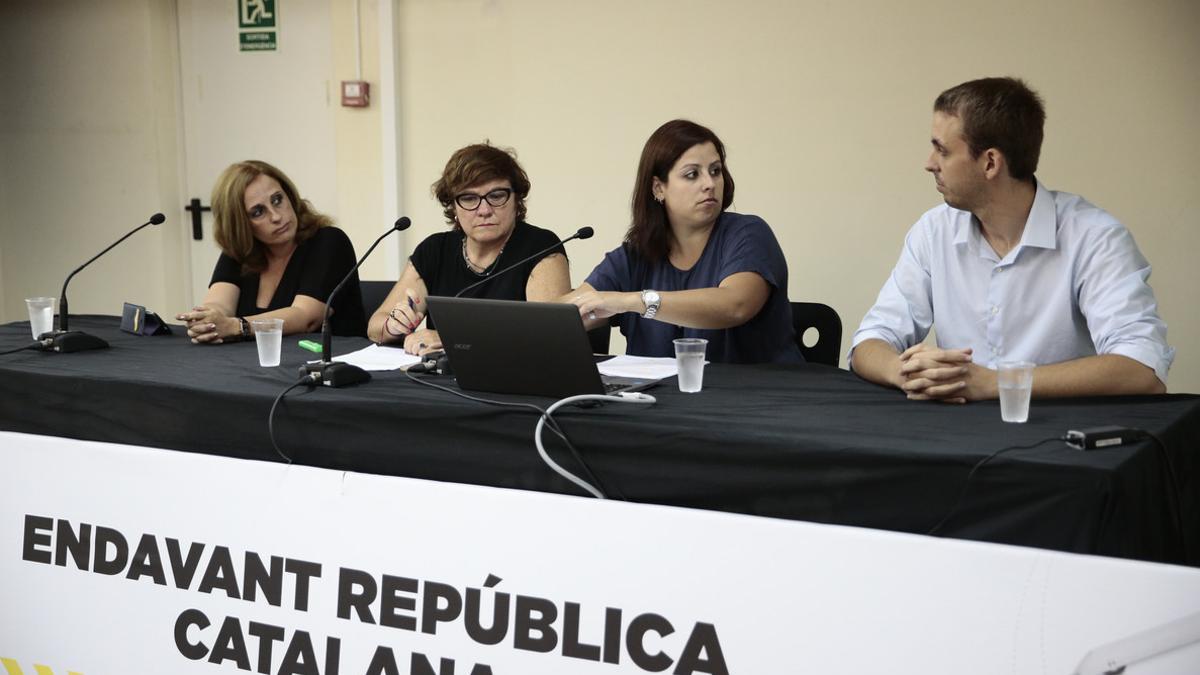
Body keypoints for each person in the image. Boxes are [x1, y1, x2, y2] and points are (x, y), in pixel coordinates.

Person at [850, 77, 1173, 401]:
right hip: (956, 437)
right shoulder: (933, 231)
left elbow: (1143, 368)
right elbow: (870, 342)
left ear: (990, 162)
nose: (929, 163)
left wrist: (997, 383)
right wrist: (905, 372)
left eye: (942, 150)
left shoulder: (1095, 238)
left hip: (1061, 441)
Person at [567, 119, 802, 364]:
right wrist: (562, 316)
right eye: (692, 174)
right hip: (661, 400)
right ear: (658, 188)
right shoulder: (633, 256)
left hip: (761, 397)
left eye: (715, 171)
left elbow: (735, 305)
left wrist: (631, 301)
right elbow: (566, 314)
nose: (709, 184)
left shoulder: (748, 233)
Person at [366, 143, 571, 354]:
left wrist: (456, 341)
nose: (484, 210)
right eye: (469, 198)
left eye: (497, 196)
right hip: (440, 380)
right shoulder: (435, 250)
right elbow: (375, 327)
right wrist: (394, 325)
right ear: (453, 206)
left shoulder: (541, 247)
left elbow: (548, 336)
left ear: (516, 200)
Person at [177, 160, 365, 343]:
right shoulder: (242, 250)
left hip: (332, 366)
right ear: (240, 225)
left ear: (289, 195)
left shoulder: (328, 241)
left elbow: (305, 316)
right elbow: (219, 303)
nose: (276, 216)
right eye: (258, 212)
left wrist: (237, 326)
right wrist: (207, 319)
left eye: (277, 200)